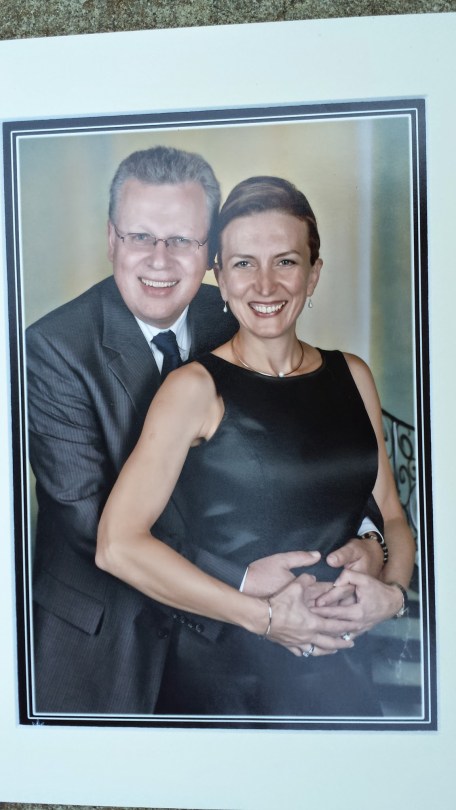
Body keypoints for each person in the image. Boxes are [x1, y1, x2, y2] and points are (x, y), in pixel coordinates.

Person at [28, 148, 381, 715]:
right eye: (141, 236)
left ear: (210, 253)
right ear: (112, 239)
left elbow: (305, 445)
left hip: (240, 651)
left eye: (182, 240)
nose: (160, 260)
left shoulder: (241, 307)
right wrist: (240, 579)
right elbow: (90, 523)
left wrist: (368, 539)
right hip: (108, 642)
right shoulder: (53, 348)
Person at [96, 175, 416, 719]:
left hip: (342, 670)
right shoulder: (192, 388)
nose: (265, 285)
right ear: (220, 277)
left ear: (314, 274)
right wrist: (265, 618)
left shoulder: (353, 375)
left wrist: (393, 593)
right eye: (244, 263)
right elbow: (117, 545)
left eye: (285, 261)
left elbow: (391, 517)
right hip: (228, 680)